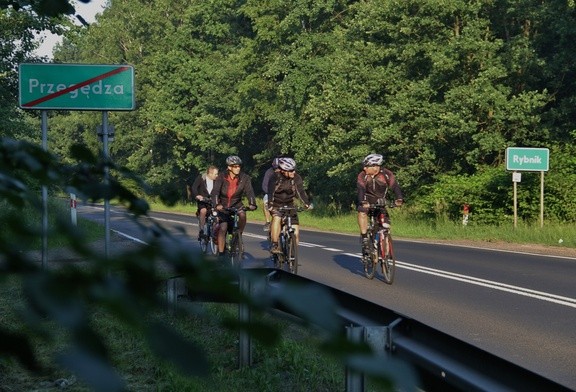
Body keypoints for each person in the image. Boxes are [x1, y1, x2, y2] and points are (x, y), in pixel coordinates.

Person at [357, 153, 403, 255]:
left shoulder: (386, 174)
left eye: (366, 166)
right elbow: (361, 190)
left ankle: (384, 255)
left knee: (385, 226)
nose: (364, 168)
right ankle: (365, 238)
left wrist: (399, 199)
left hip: (380, 202)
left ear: (375, 167)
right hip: (366, 201)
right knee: (362, 212)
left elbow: (395, 187)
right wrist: (363, 202)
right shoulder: (362, 175)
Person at [211, 155, 257, 257]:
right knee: (223, 228)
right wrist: (217, 204)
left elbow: (249, 192)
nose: (237, 168)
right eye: (235, 166)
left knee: (242, 215)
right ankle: (222, 254)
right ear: (229, 167)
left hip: (237, 203)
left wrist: (252, 203)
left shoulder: (245, 178)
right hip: (223, 205)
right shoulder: (221, 177)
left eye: (239, 166)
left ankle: (238, 236)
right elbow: (215, 192)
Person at [267, 157, 312, 255]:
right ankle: (275, 245)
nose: (293, 172)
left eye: (294, 169)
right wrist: (270, 204)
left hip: (290, 205)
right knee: (277, 218)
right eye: (291, 170)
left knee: (295, 232)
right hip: (276, 204)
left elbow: (301, 192)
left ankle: (292, 255)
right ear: (283, 170)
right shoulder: (275, 177)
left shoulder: (296, 178)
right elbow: (270, 192)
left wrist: (306, 203)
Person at [189, 165, 219, 240]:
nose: (217, 175)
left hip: (213, 200)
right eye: (215, 174)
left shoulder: (217, 180)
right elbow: (194, 187)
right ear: (210, 173)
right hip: (203, 201)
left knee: (217, 215)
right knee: (203, 211)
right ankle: (202, 230)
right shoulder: (201, 178)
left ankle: (214, 232)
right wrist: (197, 196)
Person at [261, 157, 280, 232]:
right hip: (270, 193)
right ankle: (268, 222)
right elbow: (264, 185)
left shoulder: (285, 173)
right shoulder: (269, 172)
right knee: (266, 202)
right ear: (272, 165)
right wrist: (270, 193)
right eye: (275, 167)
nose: (277, 169)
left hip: (282, 194)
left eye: (279, 167)